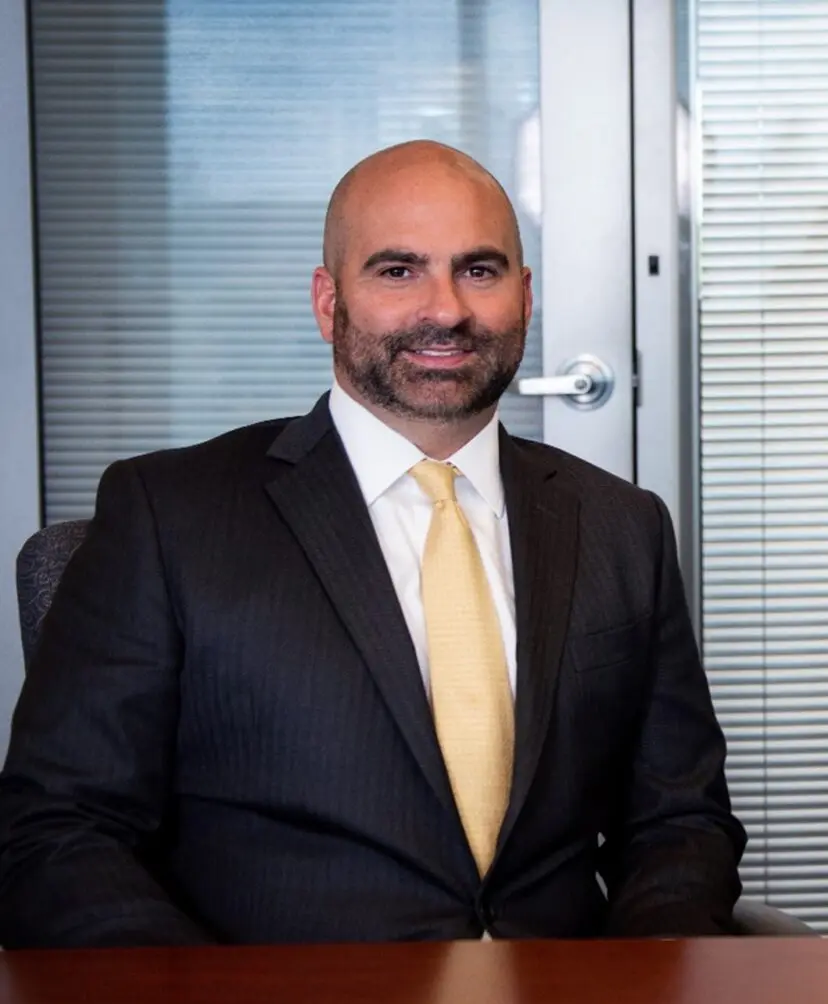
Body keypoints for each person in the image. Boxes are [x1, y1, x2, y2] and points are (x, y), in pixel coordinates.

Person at [0, 141, 745, 948]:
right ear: (328, 302)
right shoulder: (170, 515)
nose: (446, 310)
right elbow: (57, 828)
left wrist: (644, 1002)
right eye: (398, 271)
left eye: (480, 270)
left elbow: (681, 822)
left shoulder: (621, 526)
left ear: (525, 298)